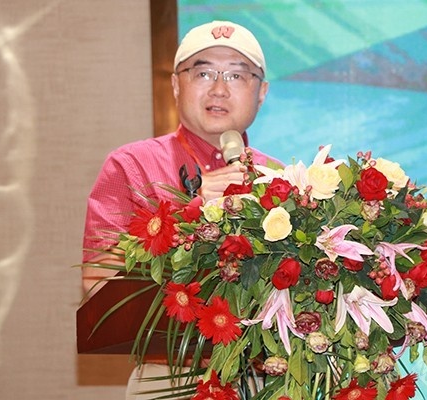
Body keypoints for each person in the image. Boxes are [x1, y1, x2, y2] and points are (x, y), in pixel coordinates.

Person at [81, 20, 280, 399]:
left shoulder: (280, 179)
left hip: (268, 380)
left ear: (262, 93)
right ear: (175, 84)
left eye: (237, 75)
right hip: (169, 377)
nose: (219, 88)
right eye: (203, 73)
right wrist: (190, 210)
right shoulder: (131, 167)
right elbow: (97, 285)